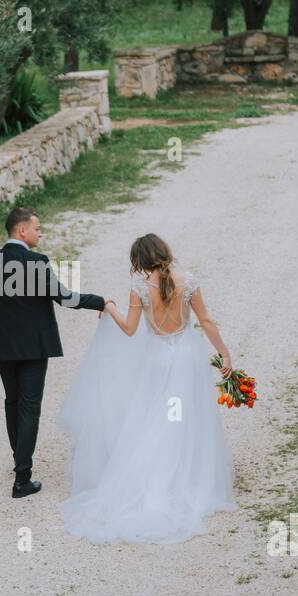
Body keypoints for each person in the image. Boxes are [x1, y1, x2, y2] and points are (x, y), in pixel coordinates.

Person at [58, 233, 236, 543]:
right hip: (186, 358)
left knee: (158, 417)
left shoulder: (139, 288)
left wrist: (110, 308)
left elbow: (129, 330)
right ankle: (188, 478)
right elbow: (205, 320)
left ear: (138, 261)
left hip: (157, 359)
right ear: (164, 251)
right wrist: (224, 353)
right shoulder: (188, 280)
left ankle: (153, 479)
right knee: (187, 417)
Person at [0, 206, 108, 498]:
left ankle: (20, 461)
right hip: (33, 348)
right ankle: (22, 478)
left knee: (12, 402)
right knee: (29, 407)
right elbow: (64, 298)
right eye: (37, 228)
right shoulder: (35, 263)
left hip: (3, 348)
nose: (40, 233)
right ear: (22, 230)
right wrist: (102, 302)